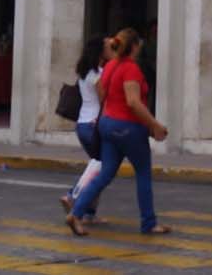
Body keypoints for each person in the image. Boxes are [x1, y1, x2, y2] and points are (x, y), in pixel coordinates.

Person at [67, 28, 170, 238]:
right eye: (138, 43)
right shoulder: (131, 69)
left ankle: (76, 213)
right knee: (143, 174)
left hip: (108, 125)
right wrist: (154, 125)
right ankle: (149, 223)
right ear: (133, 46)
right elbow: (133, 102)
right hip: (128, 128)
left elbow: (105, 97)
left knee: (104, 174)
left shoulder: (110, 66)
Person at [60, 36, 116, 218]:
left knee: (98, 166)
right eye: (106, 47)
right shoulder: (98, 74)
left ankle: (90, 212)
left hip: (82, 125)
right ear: (100, 52)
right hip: (93, 124)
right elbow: (104, 101)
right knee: (99, 164)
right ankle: (73, 195)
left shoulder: (85, 72)